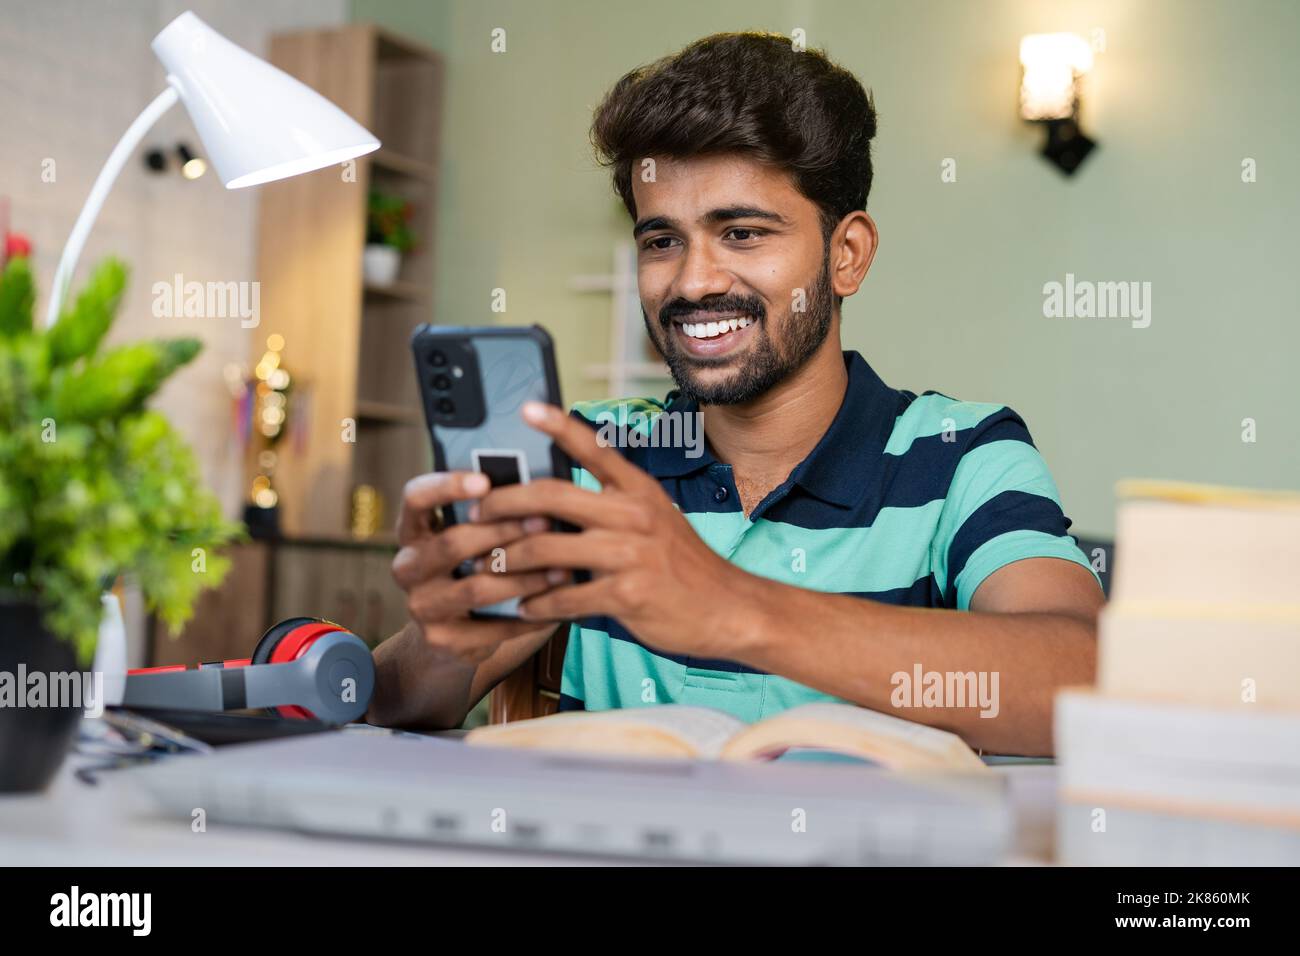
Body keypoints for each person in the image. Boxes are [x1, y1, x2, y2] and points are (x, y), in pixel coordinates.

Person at [367, 32, 1103, 756]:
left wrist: (728, 606)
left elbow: (1083, 681)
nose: (692, 283)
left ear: (846, 256)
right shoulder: (589, 455)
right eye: (661, 241)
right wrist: (447, 641)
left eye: (743, 233)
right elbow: (396, 701)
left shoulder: (964, 456)